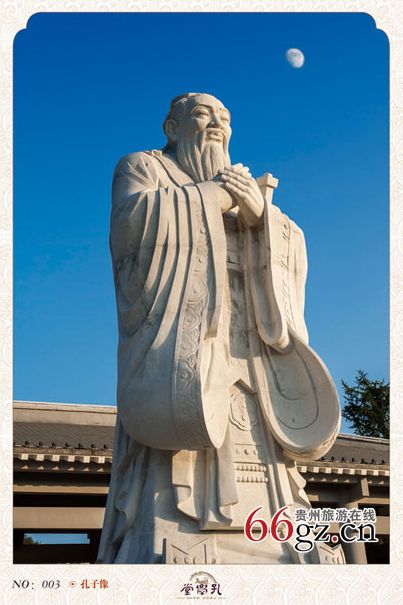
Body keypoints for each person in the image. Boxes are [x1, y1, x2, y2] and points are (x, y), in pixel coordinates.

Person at [97, 93, 343, 564]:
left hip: (249, 348)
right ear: (172, 128)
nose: (216, 124)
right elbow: (132, 226)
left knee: (259, 450)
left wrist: (261, 216)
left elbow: (292, 245)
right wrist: (213, 197)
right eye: (202, 114)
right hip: (183, 349)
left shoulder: (241, 184)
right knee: (183, 442)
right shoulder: (143, 167)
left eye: (224, 118)